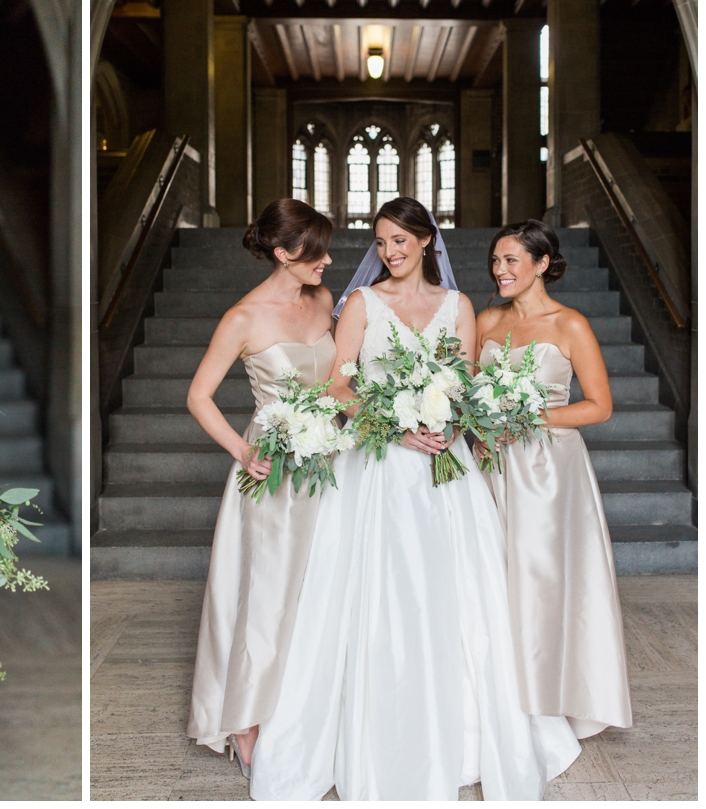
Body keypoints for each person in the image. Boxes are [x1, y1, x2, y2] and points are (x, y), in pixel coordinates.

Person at [249, 198, 581, 801]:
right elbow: (338, 382)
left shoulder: (458, 307)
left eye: (400, 241)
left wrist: (451, 422)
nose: (389, 253)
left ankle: (466, 734)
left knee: (455, 594)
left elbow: (467, 381)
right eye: (380, 242)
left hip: (444, 467)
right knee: (371, 593)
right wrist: (395, 424)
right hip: (376, 465)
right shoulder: (361, 304)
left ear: (428, 241)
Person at [185, 199, 337, 778]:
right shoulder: (243, 318)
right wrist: (242, 449)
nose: (326, 261)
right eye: (315, 250)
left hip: (331, 458)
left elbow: (344, 377)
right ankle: (247, 724)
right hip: (273, 467)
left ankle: (310, 713)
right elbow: (199, 396)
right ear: (283, 253)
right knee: (268, 593)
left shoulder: (323, 300)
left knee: (321, 586)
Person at [476, 220, 633, 739]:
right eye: (496, 261)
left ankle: (551, 696)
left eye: (512, 261)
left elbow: (600, 406)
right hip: (493, 464)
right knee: (494, 575)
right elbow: (468, 393)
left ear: (542, 264)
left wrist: (529, 418)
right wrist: (481, 429)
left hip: (549, 472)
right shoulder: (485, 322)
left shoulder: (570, 325)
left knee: (545, 577)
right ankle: (501, 698)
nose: (500, 270)